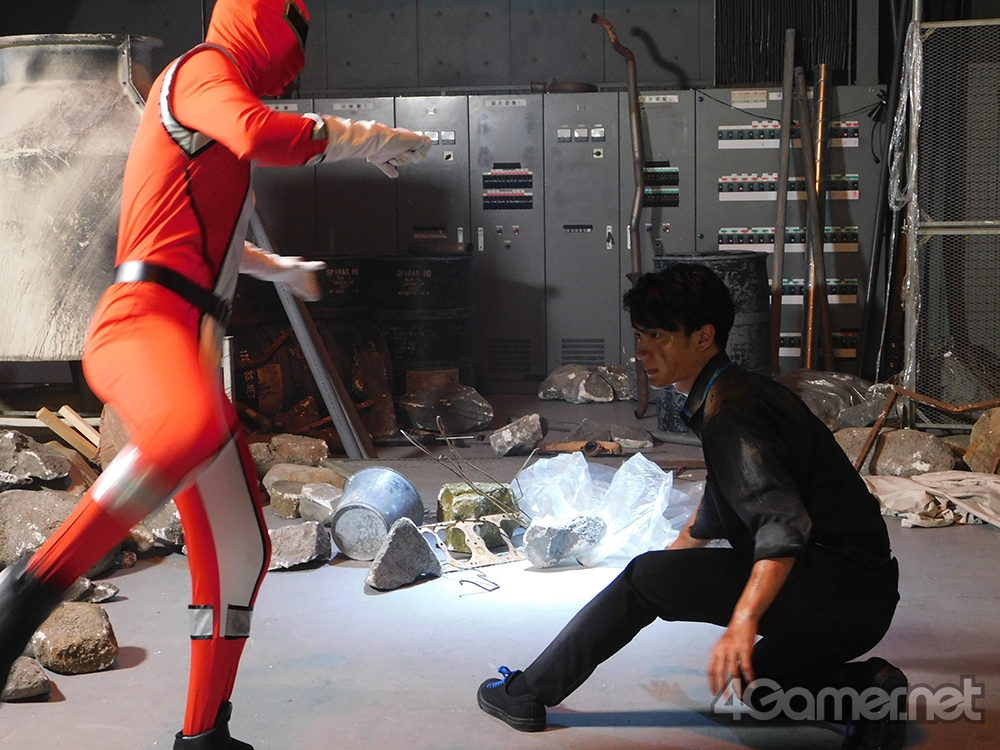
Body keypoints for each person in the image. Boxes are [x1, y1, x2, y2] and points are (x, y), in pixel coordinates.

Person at [0, 1, 430, 748]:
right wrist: (363, 137)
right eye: (297, 31)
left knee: (239, 554)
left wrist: (275, 267)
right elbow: (262, 135)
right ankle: (29, 587)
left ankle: (203, 735)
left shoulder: (215, 105)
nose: (298, 61)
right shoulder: (202, 71)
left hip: (187, 344)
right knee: (187, 428)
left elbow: (205, 235)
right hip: (141, 324)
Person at [477, 264, 907, 750]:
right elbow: (718, 511)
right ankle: (871, 692)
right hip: (857, 592)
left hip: (836, 590)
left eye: (658, 336)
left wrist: (739, 620)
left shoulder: (731, 413)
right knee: (760, 686)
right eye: (641, 335)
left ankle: (527, 693)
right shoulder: (736, 390)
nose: (642, 352)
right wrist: (664, 577)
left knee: (643, 577)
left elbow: (781, 527)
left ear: (704, 337)